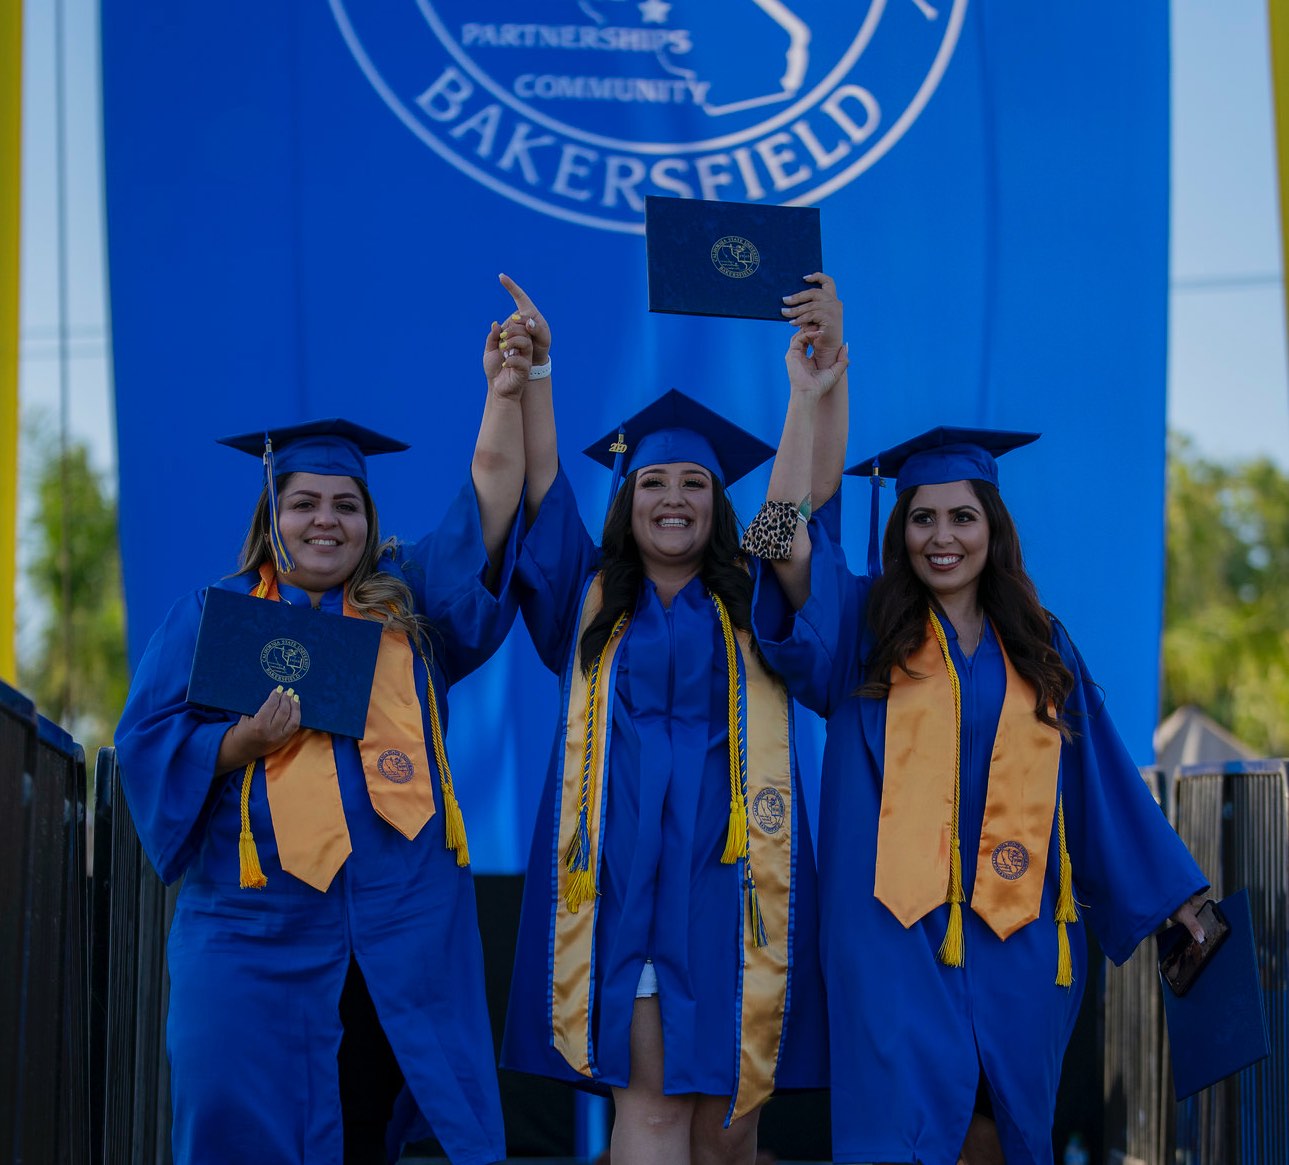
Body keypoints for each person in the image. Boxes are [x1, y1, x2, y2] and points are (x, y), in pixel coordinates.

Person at [742, 330, 1212, 1165]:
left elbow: (1097, 780)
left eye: (961, 516)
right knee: (900, 1134)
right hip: (889, 936)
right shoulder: (860, 629)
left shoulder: (1039, 643)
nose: (940, 535)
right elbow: (778, 540)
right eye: (921, 517)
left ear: (992, 527)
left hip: (1018, 933)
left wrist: (1176, 897)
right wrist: (805, 400)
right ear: (902, 529)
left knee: (1000, 1135)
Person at [114, 309, 539, 1165]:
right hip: (256, 927)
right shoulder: (216, 618)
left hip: (408, 927)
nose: (325, 520)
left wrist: (512, 390)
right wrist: (233, 746)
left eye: (346, 504)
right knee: (242, 1122)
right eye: (304, 501)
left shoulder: (408, 604)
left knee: (363, 1124)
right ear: (271, 516)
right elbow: (144, 744)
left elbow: (491, 505)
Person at [494, 274, 841, 1164]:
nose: (674, 497)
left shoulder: (750, 594)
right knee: (647, 1120)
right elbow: (538, 484)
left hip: (735, 897)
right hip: (620, 895)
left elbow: (794, 509)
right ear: (627, 498)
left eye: (695, 482)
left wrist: (811, 391)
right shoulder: (590, 593)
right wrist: (534, 373)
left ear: (718, 503)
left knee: (727, 1137)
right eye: (653, 482)